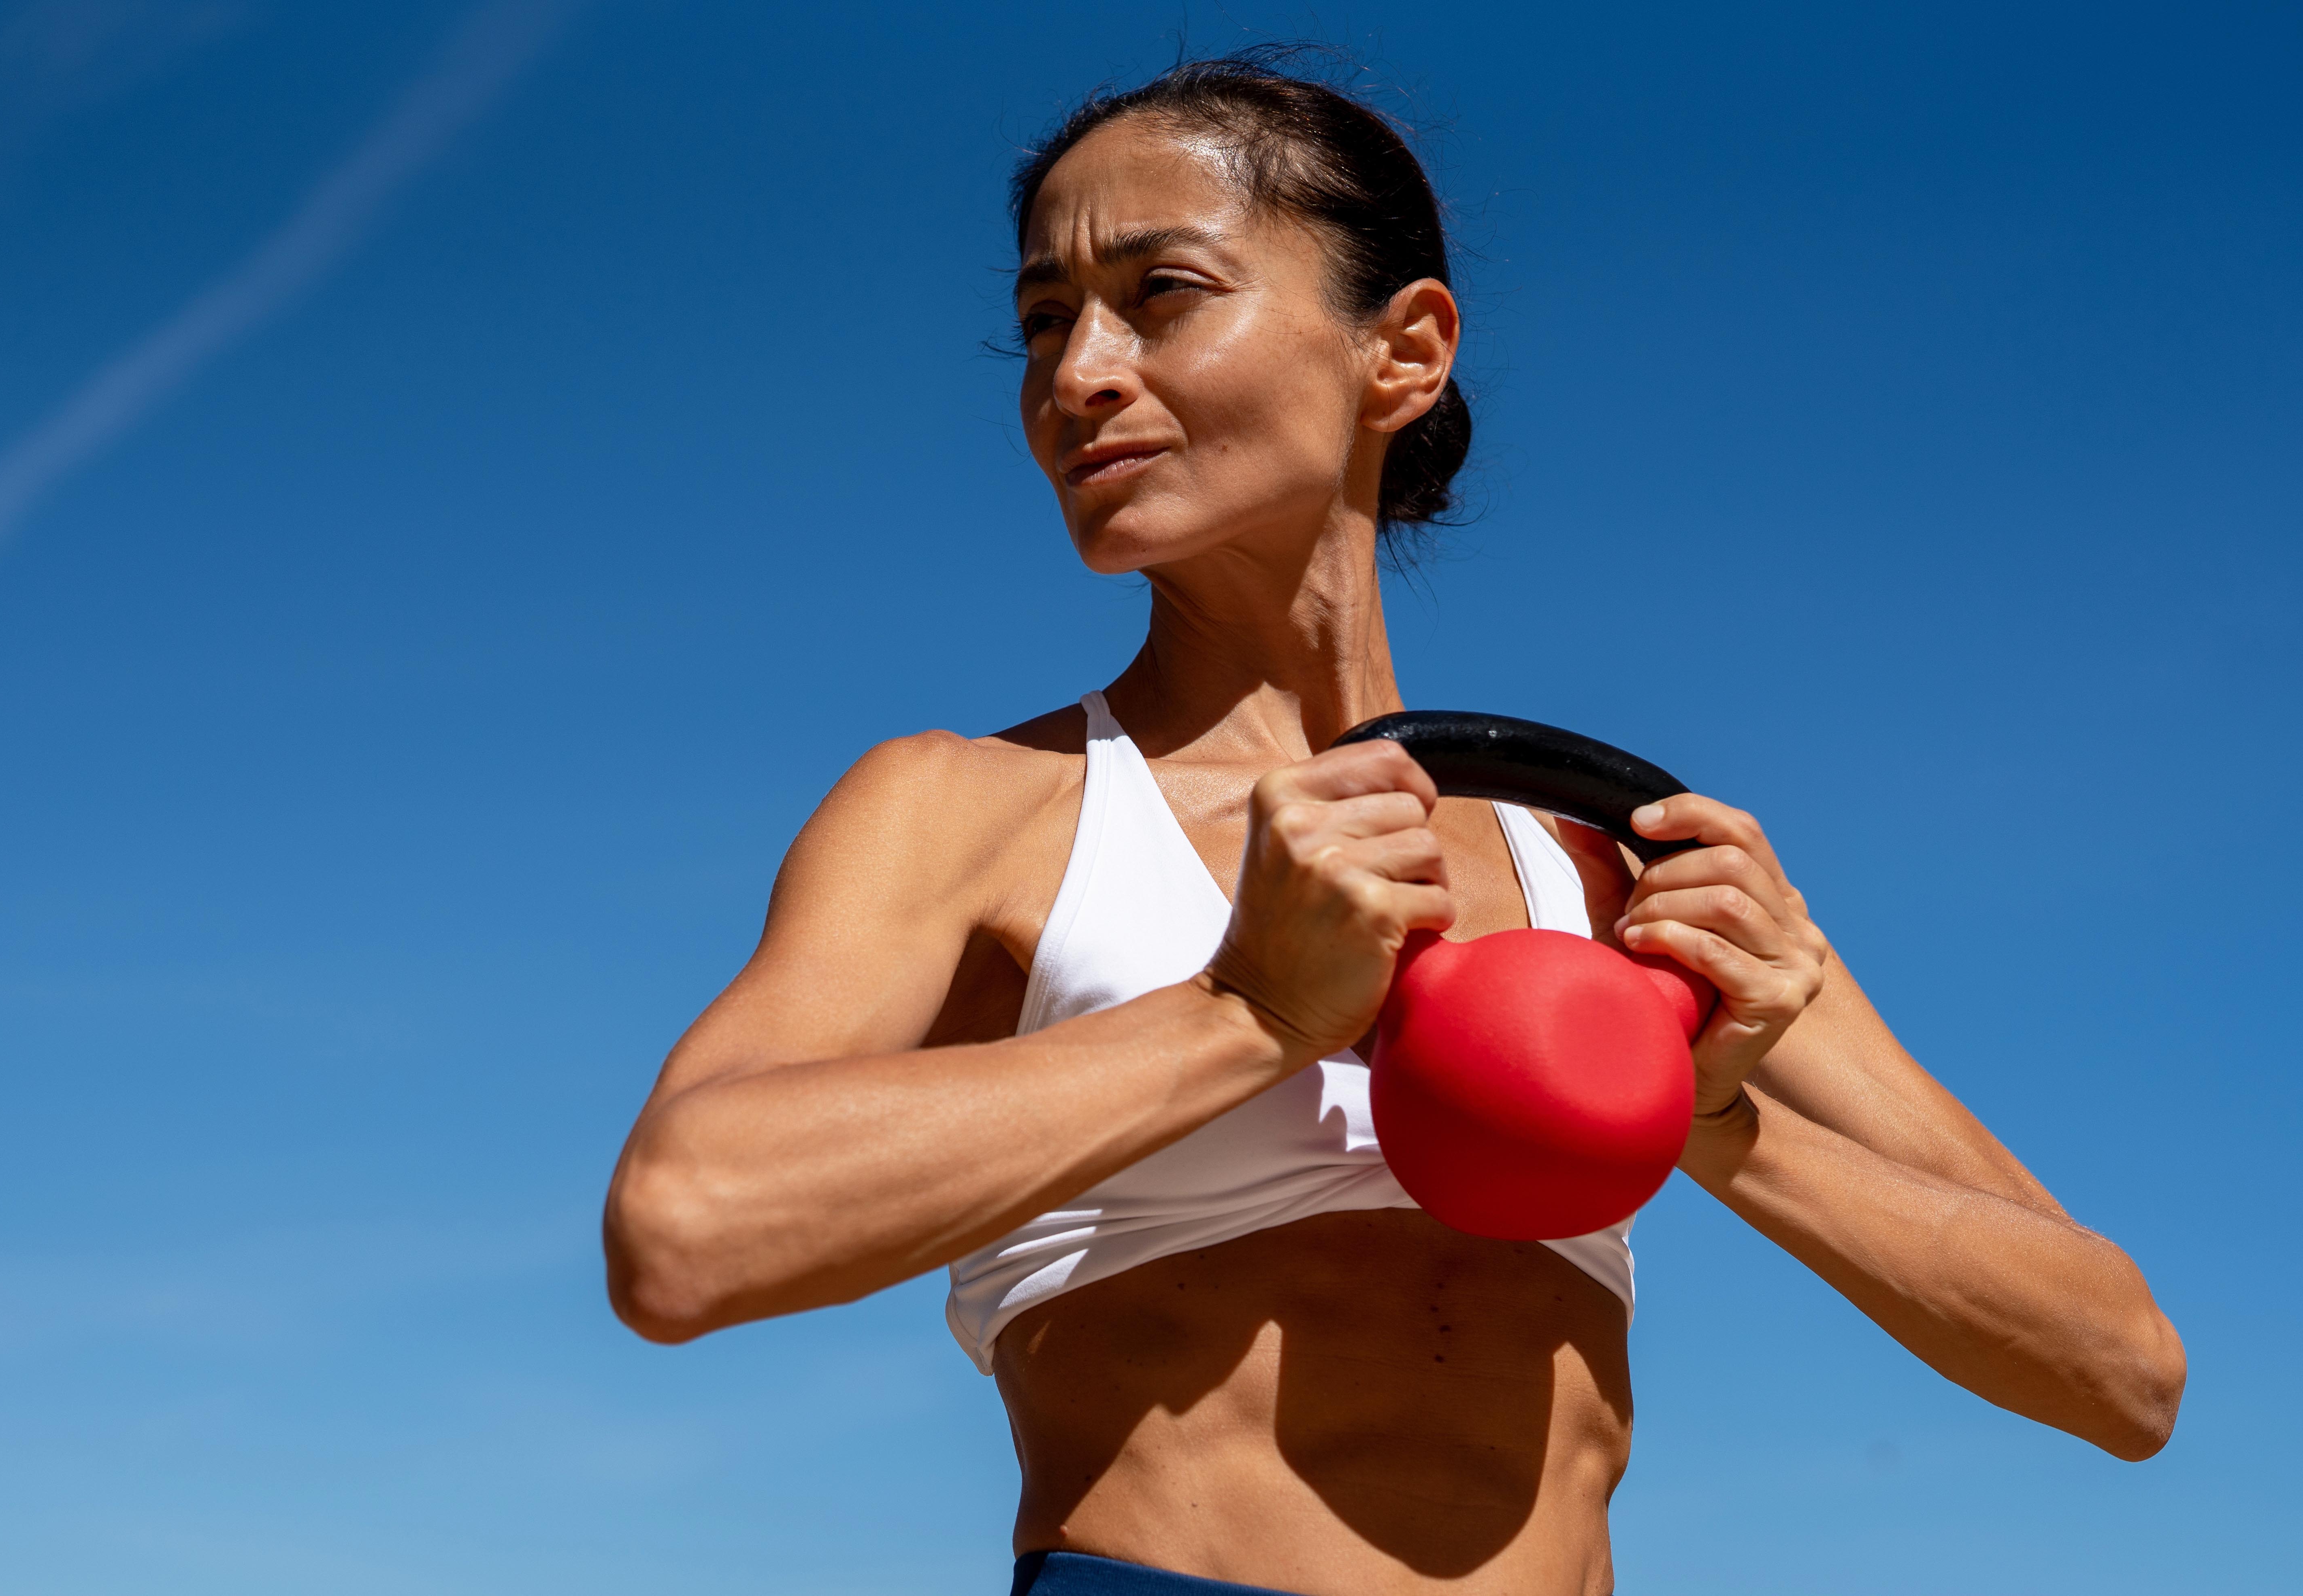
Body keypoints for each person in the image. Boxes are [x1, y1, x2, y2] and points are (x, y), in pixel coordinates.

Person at [601, 54, 2184, 1596]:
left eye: (1161, 294)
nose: (1074, 374)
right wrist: (1246, 1013)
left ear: (1405, 351)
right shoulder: (977, 806)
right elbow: (685, 1229)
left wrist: (1709, 1116)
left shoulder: (1616, 852)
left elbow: (2121, 1368)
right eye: (1040, 319)